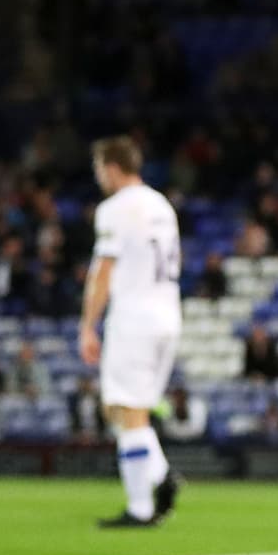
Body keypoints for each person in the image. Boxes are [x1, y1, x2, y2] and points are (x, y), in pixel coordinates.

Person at [80, 136, 185, 529]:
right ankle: (160, 475)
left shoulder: (114, 209)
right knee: (120, 408)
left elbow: (103, 271)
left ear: (110, 167)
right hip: (167, 315)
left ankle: (141, 506)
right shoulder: (161, 204)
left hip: (134, 317)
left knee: (128, 410)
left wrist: (88, 324)